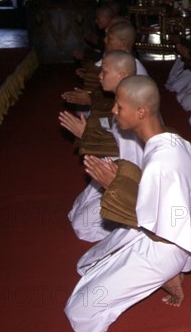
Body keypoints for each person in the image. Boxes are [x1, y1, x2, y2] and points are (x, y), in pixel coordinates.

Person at [64, 75, 191, 332]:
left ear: (141, 112)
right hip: (158, 236)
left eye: (119, 106)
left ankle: (166, 275)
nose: (113, 111)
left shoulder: (162, 162)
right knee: (86, 265)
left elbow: (164, 229)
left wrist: (113, 188)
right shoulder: (172, 139)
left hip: (162, 248)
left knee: (79, 313)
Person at [59, 51, 144, 242]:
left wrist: (87, 135)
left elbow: (133, 158)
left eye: (104, 72)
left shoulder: (132, 107)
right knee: (77, 210)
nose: (99, 76)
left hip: (132, 179)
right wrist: (89, 133)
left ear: (122, 75)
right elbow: (116, 135)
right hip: (116, 164)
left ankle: (137, 222)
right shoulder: (121, 99)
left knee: (83, 226)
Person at [62, 21, 148, 106]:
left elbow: (129, 104)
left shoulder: (133, 67)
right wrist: (90, 76)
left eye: (109, 39)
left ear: (122, 43)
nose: (105, 40)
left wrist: (90, 100)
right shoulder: (114, 59)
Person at [165, 8, 191, 92]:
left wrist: (182, 43)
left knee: (176, 87)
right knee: (172, 82)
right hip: (189, 60)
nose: (190, 19)